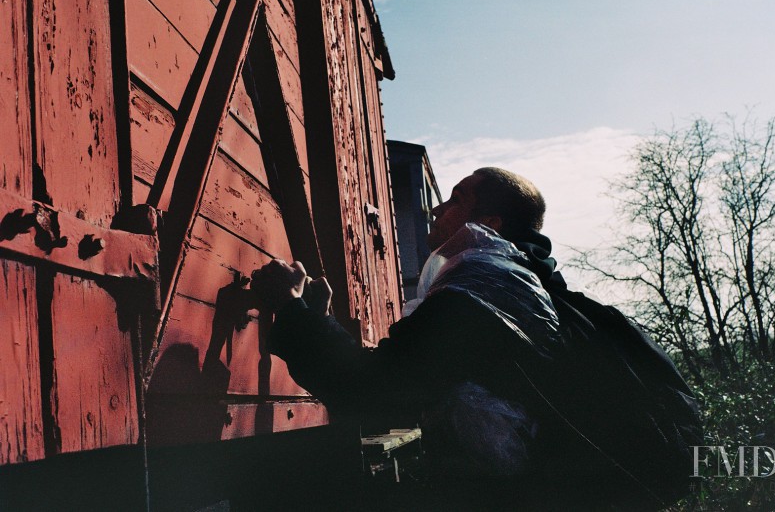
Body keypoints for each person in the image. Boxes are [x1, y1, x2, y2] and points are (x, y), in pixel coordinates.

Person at [251, 167, 699, 510]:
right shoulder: (562, 302)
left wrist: (292, 309)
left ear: (489, 222)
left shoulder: (485, 289)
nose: (436, 209)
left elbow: (372, 390)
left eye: (454, 200)